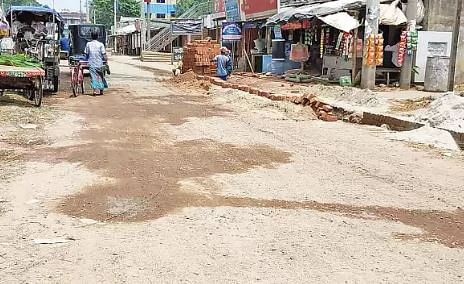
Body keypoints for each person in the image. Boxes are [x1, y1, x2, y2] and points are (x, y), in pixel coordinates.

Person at [85, 31, 108, 96]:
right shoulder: (101, 44)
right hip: (99, 63)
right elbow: (104, 54)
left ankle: (94, 91)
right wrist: (106, 61)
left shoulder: (88, 44)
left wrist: (86, 60)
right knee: (101, 77)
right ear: (97, 37)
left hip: (91, 63)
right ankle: (101, 90)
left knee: (93, 77)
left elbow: (86, 54)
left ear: (91, 36)